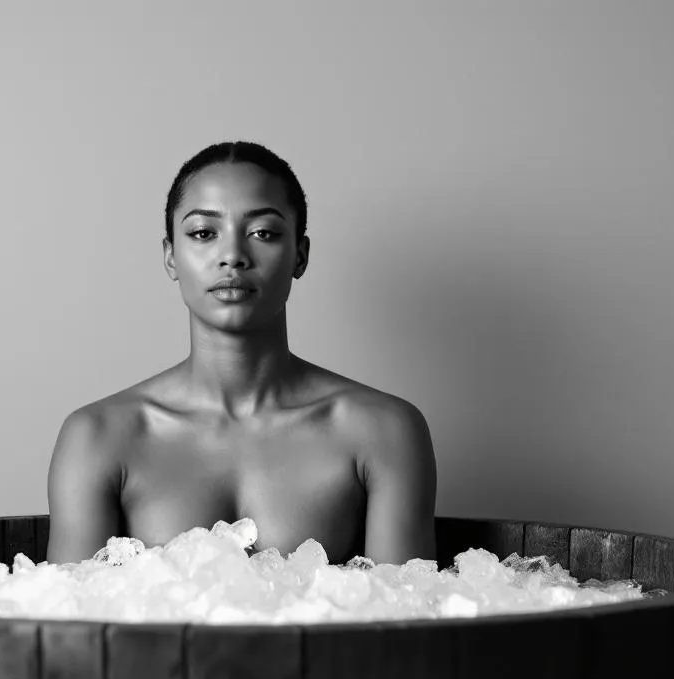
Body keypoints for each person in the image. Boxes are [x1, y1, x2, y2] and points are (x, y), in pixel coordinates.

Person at [46, 141, 437, 565]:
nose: (232, 256)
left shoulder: (382, 432)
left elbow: (400, 622)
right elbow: (72, 626)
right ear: (171, 256)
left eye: (263, 233)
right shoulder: (98, 438)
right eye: (203, 233)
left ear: (299, 255)